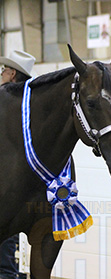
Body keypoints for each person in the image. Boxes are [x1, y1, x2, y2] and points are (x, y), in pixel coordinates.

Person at [0, 50, 35, 279]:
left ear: (12, 74)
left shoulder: (4, 103)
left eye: (4, 70)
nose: (1, 74)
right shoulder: (29, 106)